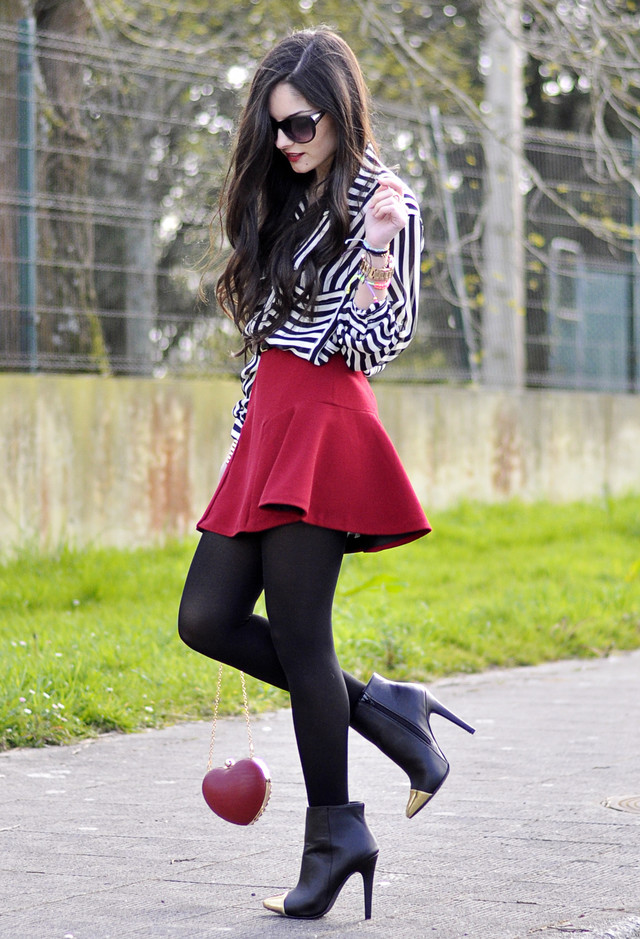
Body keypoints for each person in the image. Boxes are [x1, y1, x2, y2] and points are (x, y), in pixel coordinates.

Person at [178, 27, 474, 921]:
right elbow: (265, 338)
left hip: (325, 421)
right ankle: (388, 713)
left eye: (301, 124)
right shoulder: (285, 195)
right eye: (275, 127)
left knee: (304, 634)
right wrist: (241, 443)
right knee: (206, 617)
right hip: (268, 423)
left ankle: (334, 831)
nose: (286, 141)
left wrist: (379, 249)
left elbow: (373, 344)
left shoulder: (386, 198)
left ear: (341, 112)